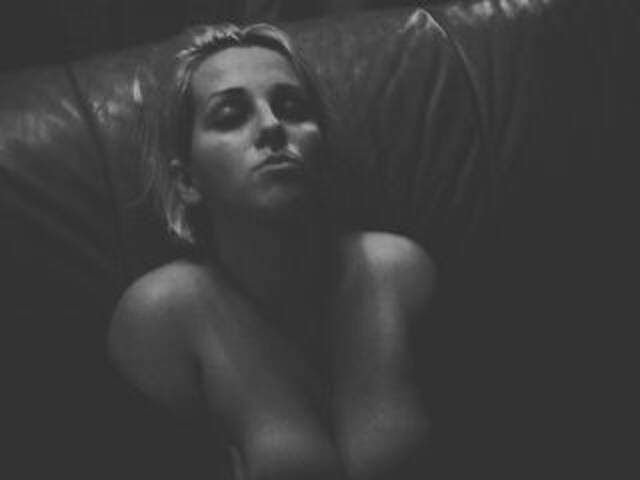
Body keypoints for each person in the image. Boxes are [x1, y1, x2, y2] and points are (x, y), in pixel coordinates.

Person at [108, 22, 436, 480]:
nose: (272, 126)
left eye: (292, 108)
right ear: (186, 181)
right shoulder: (161, 320)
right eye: (230, 116)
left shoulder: (400, 275)